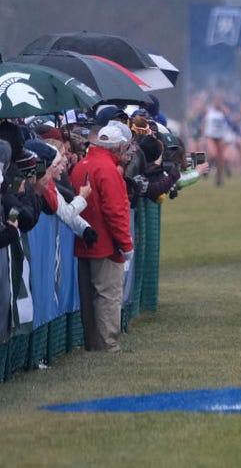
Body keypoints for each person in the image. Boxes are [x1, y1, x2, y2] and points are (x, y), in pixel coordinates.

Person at [69, 120, 135, 353]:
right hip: (106, 244)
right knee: (108, 295)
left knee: (88, 297)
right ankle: (108, 344)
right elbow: (115, 211)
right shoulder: (108, 169)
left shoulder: (82, 165)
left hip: (83, 241)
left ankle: (93, 344)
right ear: (118, 148)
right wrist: (126, 244)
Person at [203, 94, 232, 187]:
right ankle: (206, 168)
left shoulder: (224, 111)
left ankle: (219, 180)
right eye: (216, 100)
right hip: (210, 136)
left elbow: (229, 121)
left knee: (220, 159)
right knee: (213, 154)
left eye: (219, 101)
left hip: (220, 137)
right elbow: (202, 117)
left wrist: (224, 112)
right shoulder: (209, 110)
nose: (217, 102)